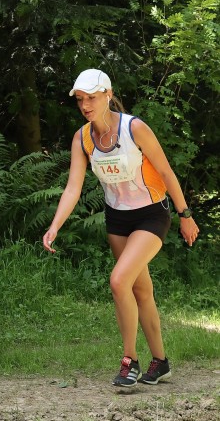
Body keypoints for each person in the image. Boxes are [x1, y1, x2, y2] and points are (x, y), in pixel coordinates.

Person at [42, 69, 199, 387]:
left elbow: (166, 172)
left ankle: (130, 362)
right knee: (141, 290)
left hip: (152, 215)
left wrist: (185, 214)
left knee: (118, 281)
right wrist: (55, 225)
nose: (85, 105)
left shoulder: (134, 128)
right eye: (81, 100)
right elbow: (73, 187)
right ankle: (161, 362)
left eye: (92, 98)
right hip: (117, 219)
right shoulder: (82, 138)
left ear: (108, 94)